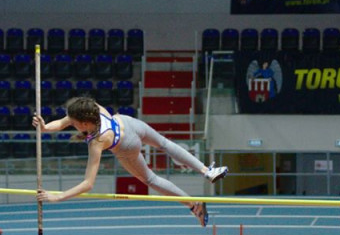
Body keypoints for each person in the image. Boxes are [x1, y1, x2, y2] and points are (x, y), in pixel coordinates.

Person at [32, 96, 228, 226]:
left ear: (84, 123)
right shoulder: (92, 108)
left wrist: (58, 197)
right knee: (165, 144)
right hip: (128, 123)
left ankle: (194, 206)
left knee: (151, 179)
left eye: (74, 124)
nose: (71, 125)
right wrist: (45, 128)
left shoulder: (97, 142)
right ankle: (206, 171)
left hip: (126, 147)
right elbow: (62, 122)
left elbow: (88, 184)